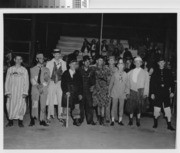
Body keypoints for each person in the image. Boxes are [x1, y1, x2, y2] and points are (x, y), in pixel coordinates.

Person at [151, 57, 175, 131]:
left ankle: (169, 124)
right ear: (158, 63)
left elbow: (172, 83)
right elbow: (152, 84)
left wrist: (172, 92)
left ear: (164, 63)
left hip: (165, 92)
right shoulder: (155, 72)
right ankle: (155, 123)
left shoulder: (168, 71)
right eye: (160, 62)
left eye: (163, 62)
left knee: (167, 108)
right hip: (157, 92)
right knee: (156, 108)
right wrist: (152, 93)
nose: (161, 64)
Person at [5, 55, 29, 127]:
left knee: (21, 105)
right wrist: (7, 92)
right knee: (10, 105)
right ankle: (10, 121)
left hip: (20, 91)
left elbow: (26, 82)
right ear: (14, 60)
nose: (18, 60)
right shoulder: (10, 69)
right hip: (11, 91)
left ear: (21, 60)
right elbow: (7, 81)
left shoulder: (24, 70)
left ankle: (20, 121)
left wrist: (25, 92)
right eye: (17, 59)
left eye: (20, 59)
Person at [126, 56, 149, 127]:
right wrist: (127, 92)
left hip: (140, 91)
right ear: (134, 63)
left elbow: (147, 84)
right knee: (131, 106)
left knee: (139, 107)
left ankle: (138, 121)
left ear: (141, 63)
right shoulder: (130, 72)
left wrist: (145, 93)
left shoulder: (145, 73)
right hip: (132, 90)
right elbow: (127, 83)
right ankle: (130, 120)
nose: (138, 63)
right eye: (136, 62)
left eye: (139, 62)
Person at [29, 53, 50, 127]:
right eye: (40, 58)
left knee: (43, 105)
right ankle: (33, 119)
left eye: (43, 58)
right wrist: (38, 86)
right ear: (36, 59)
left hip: (43, 89)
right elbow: (32, 79)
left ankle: (42, 120)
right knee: (34, 104)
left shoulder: (46, 69)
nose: (42, 60)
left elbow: (47, 80)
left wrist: (42, 86)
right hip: (35, 89)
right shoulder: (32, 69)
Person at [46, 49, 67, 123]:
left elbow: (65, 74)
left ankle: (60, 116)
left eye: (58, 54)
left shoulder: (63, 63)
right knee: (50, 99)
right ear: (53, 55)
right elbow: (47, 74)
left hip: (60, 83)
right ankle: (49, 116)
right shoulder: (49, 63)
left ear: (60, 54)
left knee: (60, 100)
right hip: (51, 82)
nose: (57, 55)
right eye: (55, 54)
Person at [61, 58, 83, 126]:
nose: (74, 65)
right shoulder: (65, 73)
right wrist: (66, 91)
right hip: (68, 92)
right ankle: (65, 120)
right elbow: (63, 84)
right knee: (66, 107)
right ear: (69, 64)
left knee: (76, 107)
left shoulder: (78, 74)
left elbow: (80, 84)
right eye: (72, 64)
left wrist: (80, 93)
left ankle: (76, 119)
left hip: (76, 93)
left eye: (75, 64)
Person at [108, 58, 128, 126]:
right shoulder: (115, 74)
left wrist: (127, 93)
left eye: (122, 64)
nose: (120, 65)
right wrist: (109, 92)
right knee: (113, 107)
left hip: (122, 93)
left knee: (121, 107)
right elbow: (111, 84)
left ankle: (120, 120)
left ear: (123, 65)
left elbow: (127, 85)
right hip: (115, 92)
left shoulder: (125, 74)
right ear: (117, 65)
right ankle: (112, 120)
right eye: (119, 64)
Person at [92, 55, 110, 126]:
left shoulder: (106, 68)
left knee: (103, 105)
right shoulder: (94, 68)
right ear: (96, 61)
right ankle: (98, 118)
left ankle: (102, 119)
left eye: (102, 60)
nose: (100, 62)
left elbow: (108, 78)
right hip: (96, 87)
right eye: (99, 60)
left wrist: (107, 87)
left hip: (104, 88)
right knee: (97, 104)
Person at [79, 56, 96, 125]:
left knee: (89, 105)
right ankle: (80, 119)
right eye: (86, 61)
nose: (87, 63)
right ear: (83, 62)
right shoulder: (79, 70)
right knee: (81, 106)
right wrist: (78, 92)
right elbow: (77, 82)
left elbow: (94, 81)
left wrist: (92, 86)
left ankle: (90, 120)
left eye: (89, 62)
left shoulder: (92, 70)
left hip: (89, 91)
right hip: (81, 90)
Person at [105, 56, 117, 123]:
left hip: (114, 87)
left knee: (114, 103)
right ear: (108, 61)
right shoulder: (105, 68)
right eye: (110, 60)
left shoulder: (117, 69)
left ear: (115, 61)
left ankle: (114, 116)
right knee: (108, 103)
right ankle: (107, 117)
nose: (111, 61)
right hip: (107, 87)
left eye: (113, 60)